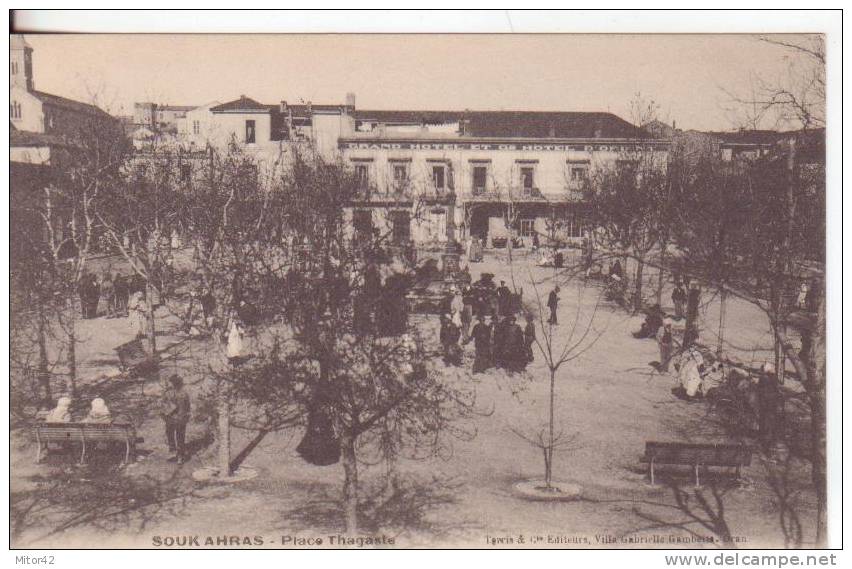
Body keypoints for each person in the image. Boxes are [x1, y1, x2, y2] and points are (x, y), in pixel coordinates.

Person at [161, 375, 191, 463]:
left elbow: (162, 406)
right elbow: (188, 407)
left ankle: (173, 451)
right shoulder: (185, 393)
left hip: (170, 419)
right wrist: (186, 417)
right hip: (181, 419)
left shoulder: (168, 393)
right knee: (180, 437)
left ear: (173, 383)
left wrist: (164, 416)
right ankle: (180, 456)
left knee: (170, 435)